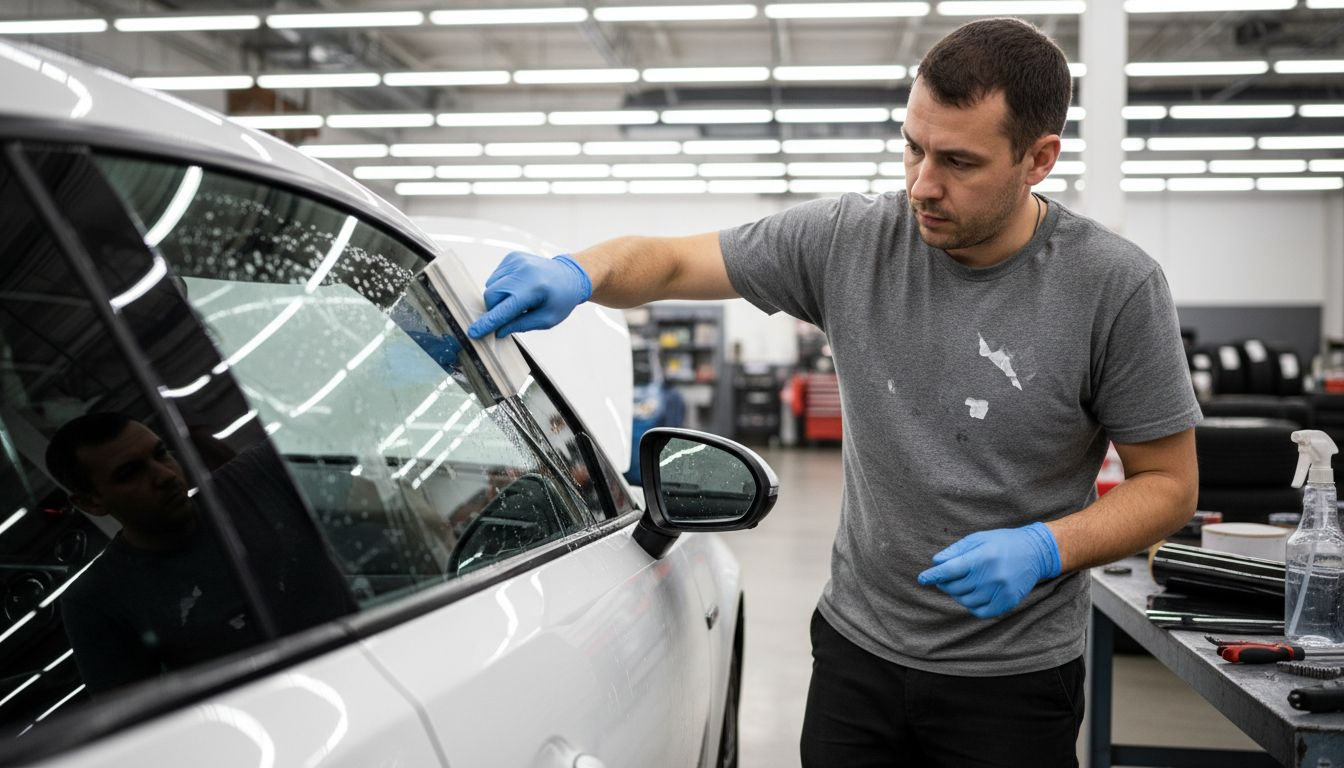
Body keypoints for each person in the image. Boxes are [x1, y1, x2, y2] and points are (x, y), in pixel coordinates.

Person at [466, 17, 1200, 767]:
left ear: (1038, 159)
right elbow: (669, 262)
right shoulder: (851, 241)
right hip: (856, 657)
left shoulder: (1113, 287)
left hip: (1013, 682)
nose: (922, 184)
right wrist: (580, 273)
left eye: (958, 161)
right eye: (913, 146)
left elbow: (1169, 485)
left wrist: (1048, 546)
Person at [44, 412, 353, 694]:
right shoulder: (97, 600)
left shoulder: (258, 477)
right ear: (91, 503)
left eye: (161, 454)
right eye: (130, 473)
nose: (164, 475)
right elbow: (137, 727)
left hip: (375, 670)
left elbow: (393, 508)